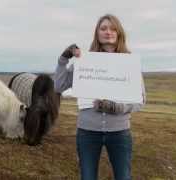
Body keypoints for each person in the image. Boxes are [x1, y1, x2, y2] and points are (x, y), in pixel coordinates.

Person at [54, 14, 146, 180]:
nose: (108, 32)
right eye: (103, 28)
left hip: (120, 133)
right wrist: (63, 59)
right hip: (87, 132)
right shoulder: (84, 62)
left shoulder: (129, 63)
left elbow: (140, 100)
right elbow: (59, 86)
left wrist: (116, 108)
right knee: (88, 177)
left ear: (119, 33)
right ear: (97, 33)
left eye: (112, 29)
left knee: (123, 177)